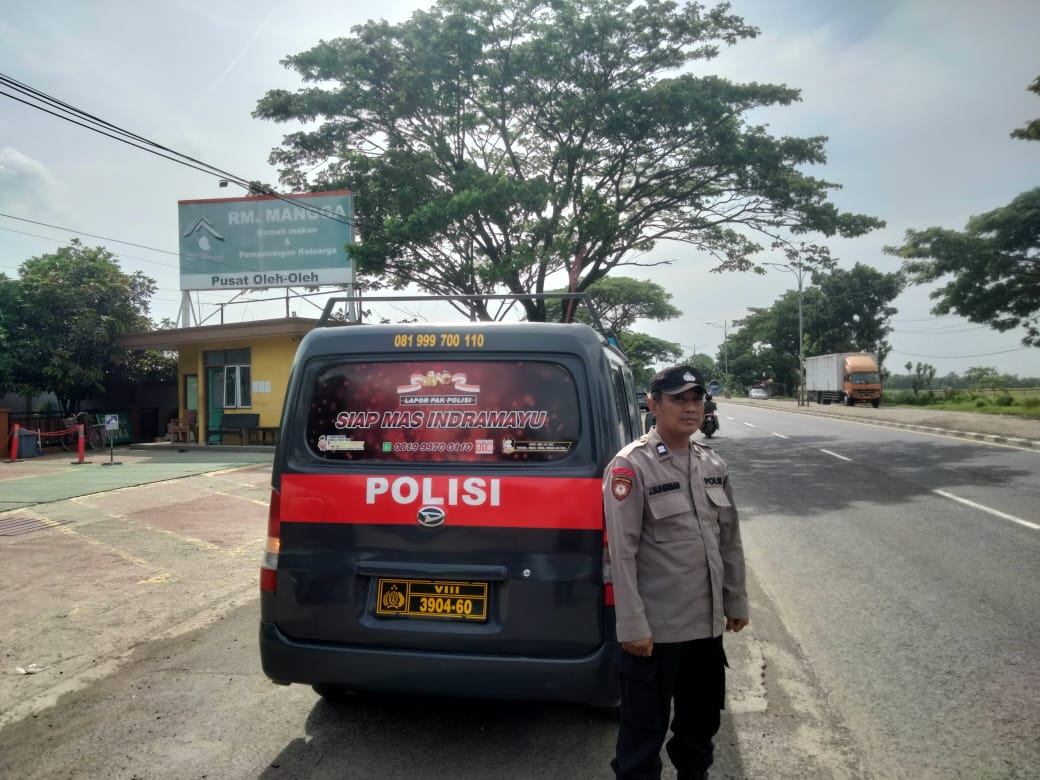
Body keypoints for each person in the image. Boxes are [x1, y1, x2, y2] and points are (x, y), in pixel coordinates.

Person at [603, 365, 749, 780]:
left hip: (705, 630)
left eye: (696, 399)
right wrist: (632, 626)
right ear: (653, 405)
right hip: (655, 635)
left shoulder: (712, 463)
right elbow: (621, 553)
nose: (690, 408)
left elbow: (729, 540)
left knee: (699, 733)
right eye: (678, 399)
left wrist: (736, 600)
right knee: (641, 739)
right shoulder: (631, 465)